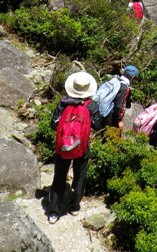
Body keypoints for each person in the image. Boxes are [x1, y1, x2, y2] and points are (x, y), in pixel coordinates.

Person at [47, 72, 101, 224]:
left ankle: (53, 211)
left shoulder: (63, 103)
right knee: (80, 176)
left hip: (63, 146)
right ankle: (74, 206)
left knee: (59, 176)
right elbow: (97, 125)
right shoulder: (92, 105)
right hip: (82, 146)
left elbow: (53, 124)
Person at [101, 65, 139, 129]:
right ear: (132, 77)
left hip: (104, 113)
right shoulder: (124, 87)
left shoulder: (115, 81)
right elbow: (118, 105)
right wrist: (119, 120)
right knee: (112, 136)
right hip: (112, 118)